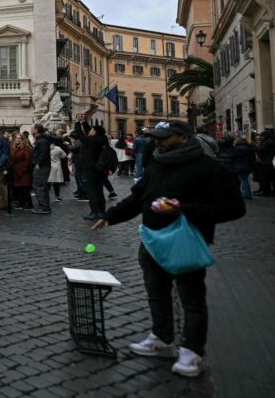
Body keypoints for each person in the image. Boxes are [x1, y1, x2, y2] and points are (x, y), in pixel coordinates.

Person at [91, 120, 244, 378]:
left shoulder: (209, 168)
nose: (157, 141)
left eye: (163, 137)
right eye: (155, 137)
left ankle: (193, 351)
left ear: (183, 138)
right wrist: (111, 215)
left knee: (191, 298)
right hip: (152, 239)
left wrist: (182, 208)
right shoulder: (157, 163)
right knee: (156, 291)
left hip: (188, 239)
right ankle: (161, 338)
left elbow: (234, 208)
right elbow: (139, 197)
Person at [74, 116, 110, 221]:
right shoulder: (102, 139)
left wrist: (77, 122)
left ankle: (94, 212)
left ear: (95, 132)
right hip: (100, 169)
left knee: (91, 191)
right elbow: (88, 131)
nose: (90, 131)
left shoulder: (91, 141)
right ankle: (102, 211)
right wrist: (84, 122)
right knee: (99, 190)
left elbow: (79, 134)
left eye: (92, 130)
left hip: (90, 169)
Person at [30, 124, 52, 215]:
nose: (30, 130)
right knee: (42, 186)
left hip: (42, 167)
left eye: (32, 128)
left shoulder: (42, 141)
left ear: (37, 130)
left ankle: (44, 208)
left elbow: (43, 153)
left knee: (39, 186)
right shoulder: (40, 140)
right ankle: (45, 206)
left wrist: (38, 163)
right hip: (42, 166)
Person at [9, 134, 32, 210]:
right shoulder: (14, 147)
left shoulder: (26, 148)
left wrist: (23, 169)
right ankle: (21, 203)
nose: (17, 140)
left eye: (19, 138)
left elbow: (28, 160)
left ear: (23, 139)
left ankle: (29, 204)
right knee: (18, 188)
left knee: (24, 188)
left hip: (22, 171)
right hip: (15, 170)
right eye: (16, 138)